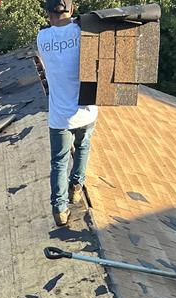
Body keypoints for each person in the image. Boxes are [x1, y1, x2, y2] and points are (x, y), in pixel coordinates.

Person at [36, 0, 98, 227]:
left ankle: (59, 210)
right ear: (71, 10)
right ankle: (76, 187)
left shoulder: (42, 38)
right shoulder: (84, 32)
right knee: (83, 147)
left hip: (59, 116)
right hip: (87, 110)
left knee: (59, 162)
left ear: (48, 12)